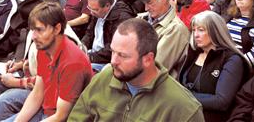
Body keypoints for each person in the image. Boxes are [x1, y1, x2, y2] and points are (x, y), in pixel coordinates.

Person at [68, 18, 204, 122]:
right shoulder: (102, 80)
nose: (113, 61)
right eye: (113, 52)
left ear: (148, 59)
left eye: (122, 55)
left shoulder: (183, 109)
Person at [0, 1, 93, 122]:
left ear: (57, 28)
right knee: (4, 102)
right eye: (32, 30)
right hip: (47, 107)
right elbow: (37, 93)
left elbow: (61, 116)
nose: (33, 36)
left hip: (60, 117)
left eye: (39, 30)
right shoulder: (44, 48)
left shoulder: (73, 62)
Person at [179, 10, 250, 121]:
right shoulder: (193, 53)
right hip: (186, 113)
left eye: (201, 30)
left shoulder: (232, 60)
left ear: (215, 31)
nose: (196, 35)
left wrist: (184, 97)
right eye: (194, 30)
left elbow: (221, 101)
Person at [134, 0, 190, 77]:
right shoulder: (141, 18)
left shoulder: (176, 30)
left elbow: (154, 68)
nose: (146, 8)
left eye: (149, 2)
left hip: (155, 86)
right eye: (144, 3)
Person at [82, 0, 134, 72]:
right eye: (89, 8)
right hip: (93, 54)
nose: (91, 12)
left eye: (94, 9)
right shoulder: (98, 11)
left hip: (107, 62)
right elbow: (89, 33)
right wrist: (81, 47)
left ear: (107, 6)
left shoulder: (122, 18)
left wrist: (90, 57)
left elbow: (114, 49)